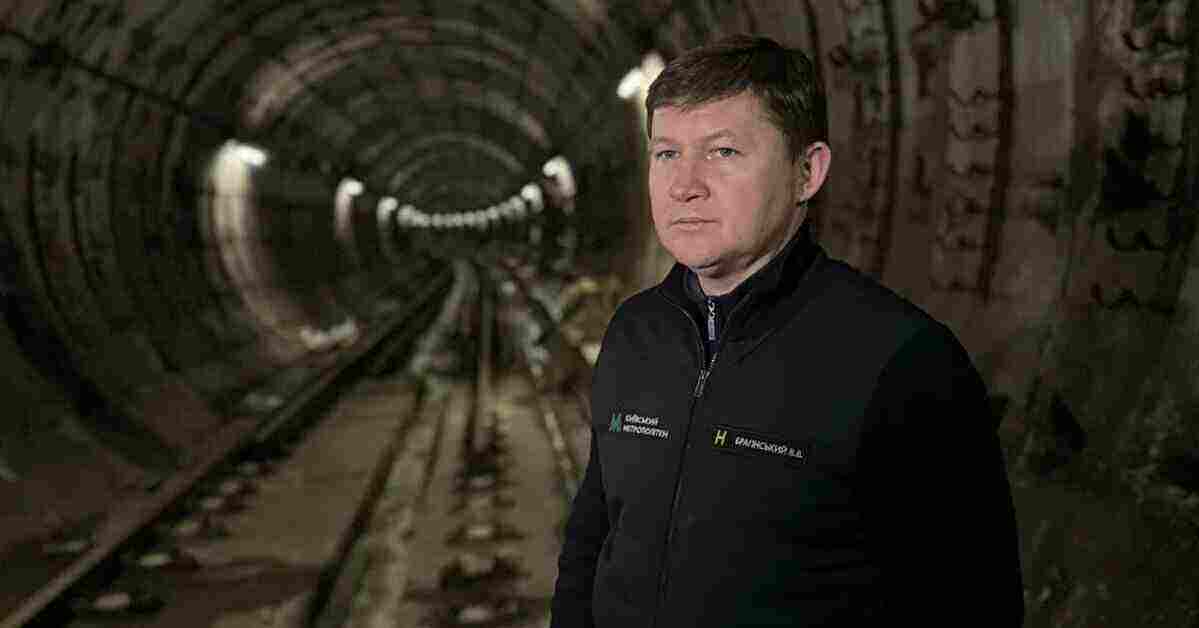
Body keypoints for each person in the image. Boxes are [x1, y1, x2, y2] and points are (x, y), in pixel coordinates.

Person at [550, 34, 1024, 627]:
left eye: (723, 151)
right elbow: (593, 535)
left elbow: (974, 603)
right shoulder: (634, 333)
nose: (684, 185)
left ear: (807, 172)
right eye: (666, 153)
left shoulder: (901, 362)